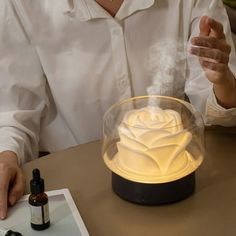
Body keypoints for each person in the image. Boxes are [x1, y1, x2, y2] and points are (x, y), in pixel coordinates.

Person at [0, 0, 236, 219]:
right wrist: (7, 157)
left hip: (180, 178)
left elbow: (217, 111)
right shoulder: (21, 5)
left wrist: (223, 81)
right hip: (77, 187)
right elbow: (15, 110)